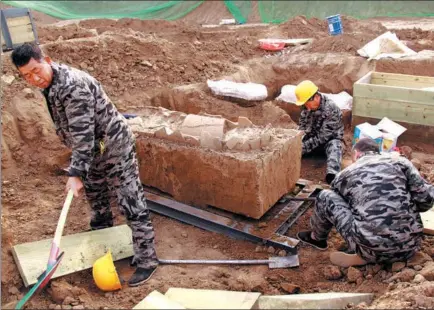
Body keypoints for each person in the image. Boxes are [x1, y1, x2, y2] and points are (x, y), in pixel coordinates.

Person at [11, 42, 159, 286]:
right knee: (98, 202)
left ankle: (147, 260)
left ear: (47, 60)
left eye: (36, 70)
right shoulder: (50, 83)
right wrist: (81, 169)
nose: (34, 78)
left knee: (130, 202)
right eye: (26, 76)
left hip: (114, 148)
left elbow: (83, 135)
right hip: (93, 152)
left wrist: (75, 172)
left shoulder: (73, 86)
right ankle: (103, 246)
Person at [297, 137, 434, 267]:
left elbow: (339, 205)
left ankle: (317, 239)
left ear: (356, 154)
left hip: (370, 248)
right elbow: (426, 200)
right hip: (411, 246)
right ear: (377, 152)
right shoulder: (402, 163)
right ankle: (387, 246)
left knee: (325, 196)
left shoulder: (344, 175)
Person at [295, 80, 344, 184]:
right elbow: (302, 127)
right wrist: (297, 143)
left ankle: (333, 176)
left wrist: (302, 148)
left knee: (335, 145)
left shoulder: (331, 109)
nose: (306, 107)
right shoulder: (306, 108)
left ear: (315, 97)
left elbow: (323, 136)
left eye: (307, 103)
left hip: (327, 142)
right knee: (294, 147)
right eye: (304, 104)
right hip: (312, 141)